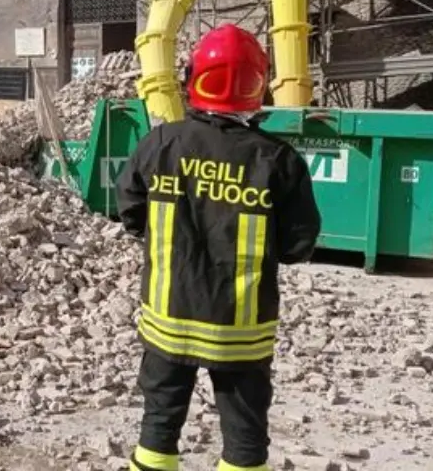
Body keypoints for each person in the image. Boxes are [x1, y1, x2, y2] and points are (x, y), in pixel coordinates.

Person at [116, 23, 321, 471]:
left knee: (158, 426)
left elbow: (129, 212)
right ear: (258, 86)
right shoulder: (278, 159)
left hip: (168, 320)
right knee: (245, 435)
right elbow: (298, 245)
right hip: (241, 332)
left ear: (192, 80)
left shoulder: (161, 144)